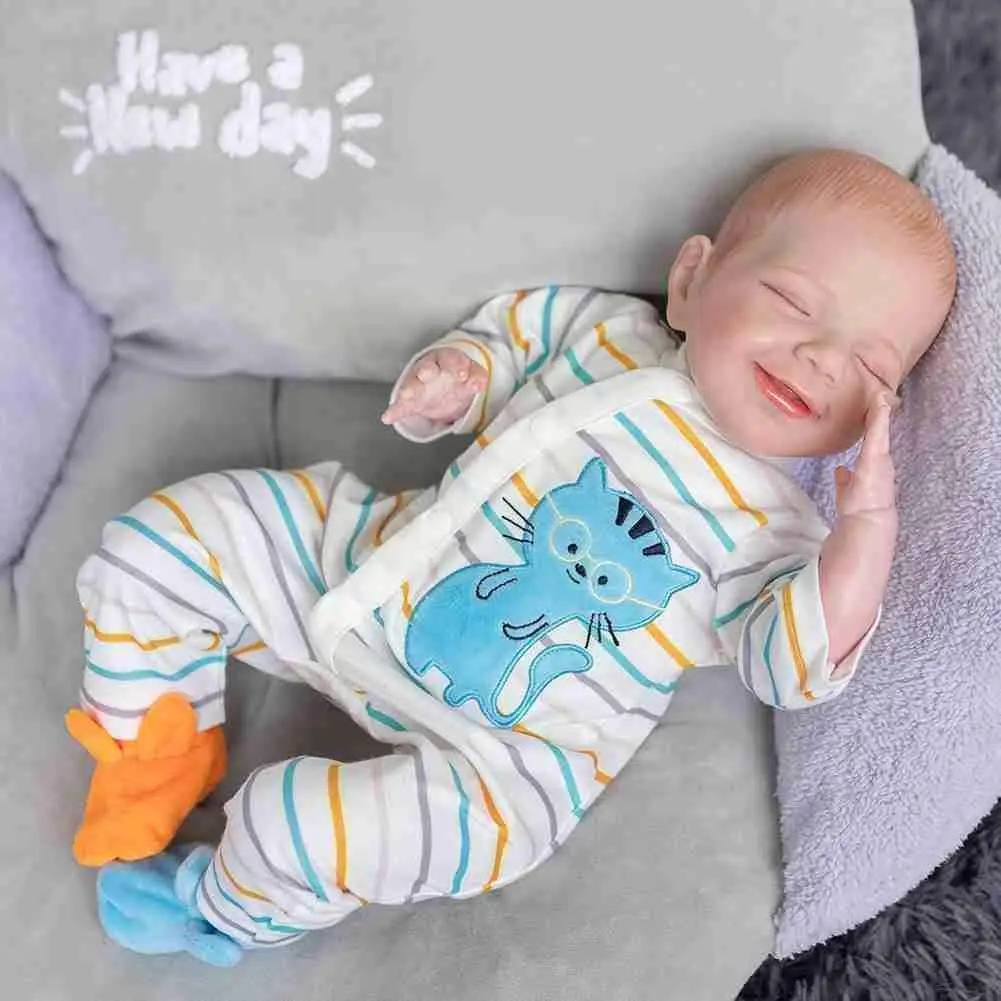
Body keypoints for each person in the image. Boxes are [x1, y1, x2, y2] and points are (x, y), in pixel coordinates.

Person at [68, 148, 957, 965]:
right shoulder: (606, 334)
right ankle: (155, 752)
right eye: (795, 302)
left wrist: (864, 535)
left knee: (295, 827)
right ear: (691, 282)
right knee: (157, 547)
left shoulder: (782, 533)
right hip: (366, 569)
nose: (821, 357)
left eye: (872, 368)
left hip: (507, 757)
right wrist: (459, 371)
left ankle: (219, 905)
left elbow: (787, 665)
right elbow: (506, 344)